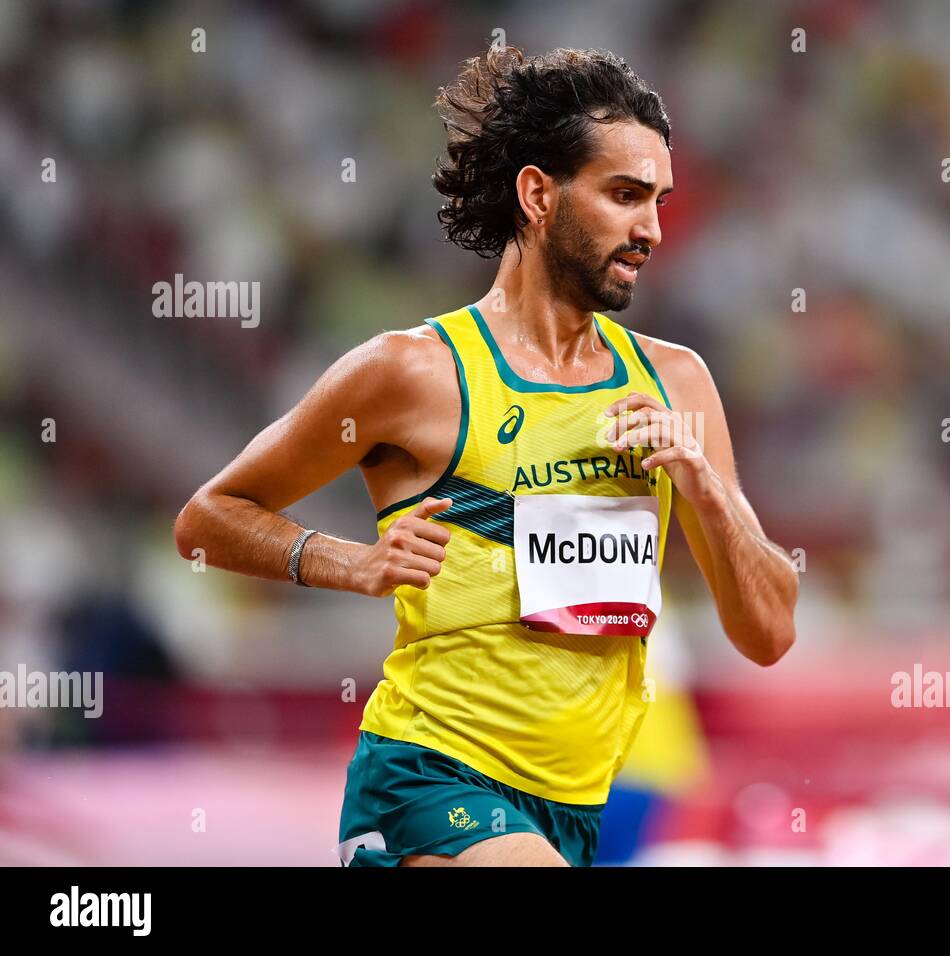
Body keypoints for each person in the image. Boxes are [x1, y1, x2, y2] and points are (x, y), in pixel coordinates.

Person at [173, 45, 798, 867]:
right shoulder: (410, 373)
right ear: (538, 194)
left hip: (580, 806)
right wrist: (350, 564)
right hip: (431, 779)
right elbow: (206, 520)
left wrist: (702, 484)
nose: (651, 228)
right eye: (624, 195)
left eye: (658, 201)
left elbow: (770, 633)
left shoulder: (676, 382)